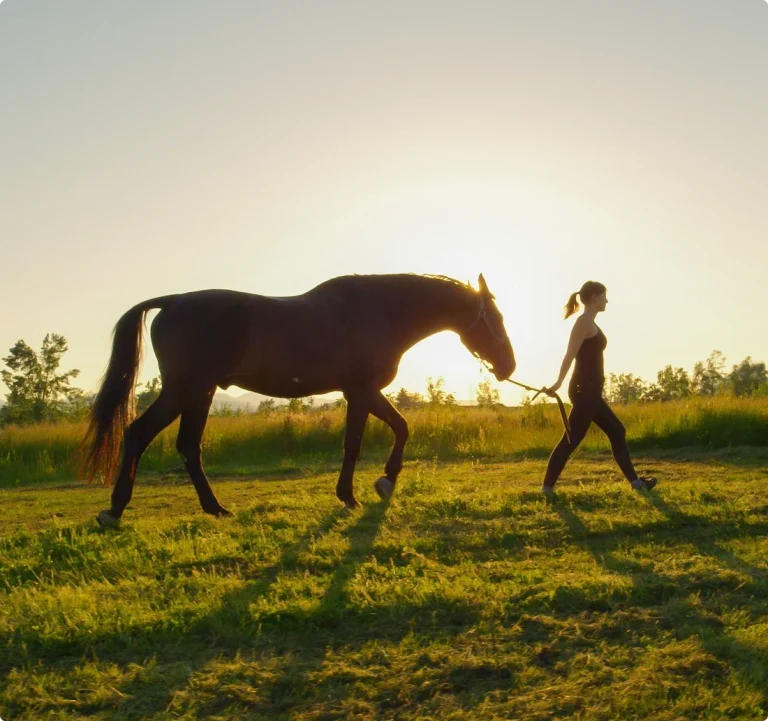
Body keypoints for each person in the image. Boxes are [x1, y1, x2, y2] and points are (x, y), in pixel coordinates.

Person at [542, 281, 657, 495]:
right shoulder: (583, 323)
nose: (607, 300)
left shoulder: (590, 323)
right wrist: (557, 382)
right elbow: (570, 354)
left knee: (616, 431)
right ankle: (546, 488)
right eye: (604, 295)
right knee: (572, 439)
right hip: (584, 389)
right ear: (594, 296)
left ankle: (636, 483)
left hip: (591, 390)